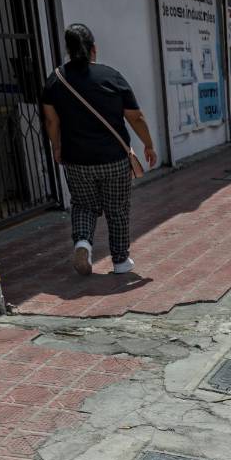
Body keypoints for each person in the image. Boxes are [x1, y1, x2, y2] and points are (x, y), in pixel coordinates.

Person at [41, 23, 157, 276]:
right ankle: (120, 261)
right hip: (113, 159)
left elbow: (51, 121)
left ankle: (83, 244)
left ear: (69, 50)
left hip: (76, 159)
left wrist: (57, 147)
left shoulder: (55, 79)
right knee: (117, 210)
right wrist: (148, 144)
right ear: (94, 49)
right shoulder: (111, 76)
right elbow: (135, 117)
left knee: (83, 205)